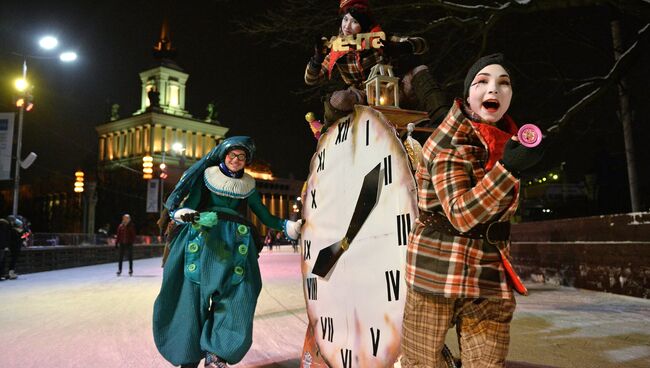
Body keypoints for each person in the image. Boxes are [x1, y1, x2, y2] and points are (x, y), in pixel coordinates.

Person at [401, 53, 545, 368]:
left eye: (503, 84)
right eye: (483, 82)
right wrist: (508, 169)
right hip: (436, 273)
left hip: (488, 275)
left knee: (488, 363)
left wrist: (511, 161)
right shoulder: (447, 142)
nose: (494, 89)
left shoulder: (504, 141)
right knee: (420, 362)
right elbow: (461, 212)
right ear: (468, 94)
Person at [152, 136, 302, 368]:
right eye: (232, 155)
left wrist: (285, 226)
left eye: (242, 157)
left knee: (238, 295)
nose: (236, 159)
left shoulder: (248, 185)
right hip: (203, 239)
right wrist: (194, 216)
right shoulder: (206, 176)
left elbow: (262, 213)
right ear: (224, 156)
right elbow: (186, 206)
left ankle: (217, 354)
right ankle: (187, 355)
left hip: (236, 242)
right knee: (189, 297)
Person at [304, 0, 428, 127]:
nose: (347, 26)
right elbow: (311, 79)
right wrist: (317, 58)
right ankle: (332, 131)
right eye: (345, 20)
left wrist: (401, 47)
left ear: (363, 26)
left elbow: (422, 44)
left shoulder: (378, 38)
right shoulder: (336, 49)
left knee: (420, 71)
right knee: (339, 99)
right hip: (360, 96)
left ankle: (438, 115)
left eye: (354, 22)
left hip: (389, 90)